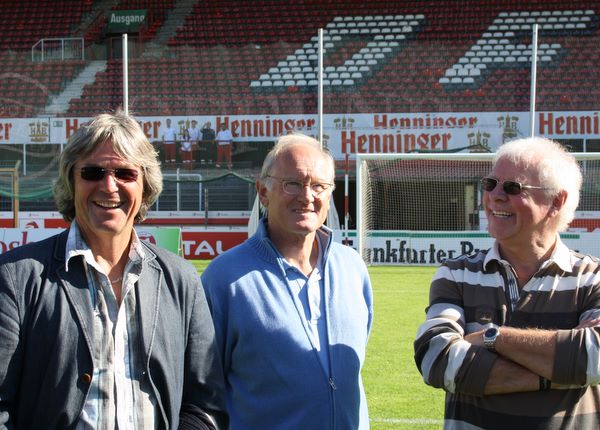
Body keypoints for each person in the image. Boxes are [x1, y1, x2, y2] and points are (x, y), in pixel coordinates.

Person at [0, 111, 228, 429]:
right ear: (71, 181)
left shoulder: (181, 279)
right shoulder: (16, 276)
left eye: (125, 173)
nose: (109, 186)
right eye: (93, 172)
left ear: (145, 185)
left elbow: (206, 405)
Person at [413, 137, 600, 429]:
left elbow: (599, 357)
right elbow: (437, 360)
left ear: (556, 201)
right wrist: (560, 370)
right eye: (490, 184)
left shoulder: (598, 277)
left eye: (512, 187)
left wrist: (491, 337)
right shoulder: (456, 274)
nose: (495, 196)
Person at [201, 134, 373, 429]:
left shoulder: (353, 268)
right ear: (263, 192)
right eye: (292, 183)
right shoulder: (224, 279)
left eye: (319, 186)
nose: (307, 196)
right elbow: (202, 389)